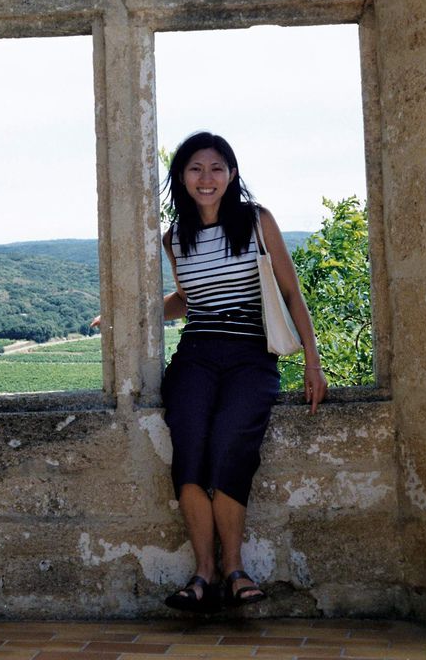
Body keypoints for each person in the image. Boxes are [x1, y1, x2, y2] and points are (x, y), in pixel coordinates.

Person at [159, 131, 327, 612]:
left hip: (251, 353)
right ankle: (202, 573)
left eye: (216, 168)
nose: (206, 178)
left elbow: (292, 294)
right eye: (195, 169)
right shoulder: (174, 238)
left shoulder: (256, 222)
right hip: (197, 353)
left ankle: (234, 569)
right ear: (182, 177)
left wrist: (312, 363)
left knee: (232, 442)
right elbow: (188, 300)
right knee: (189, 445)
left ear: (232, 174)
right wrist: (135, 314)